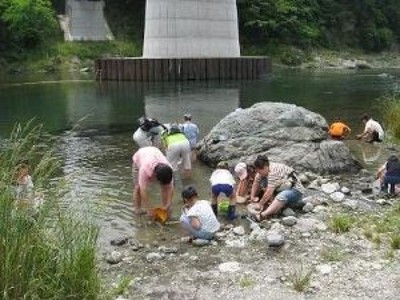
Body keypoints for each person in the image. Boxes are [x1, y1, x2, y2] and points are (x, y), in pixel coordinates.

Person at [251, 155, 304, 221]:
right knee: (263, 181)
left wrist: (260, 204)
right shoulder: (265, 168)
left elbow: (269, 192)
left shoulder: (273, 172)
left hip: (296, 190)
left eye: (259, 171)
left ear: (264, 167)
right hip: (283, 185)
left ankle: (262, 215)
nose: (258, 173)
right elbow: (256, 182)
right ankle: (273, 204)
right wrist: (252, 197)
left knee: (281, 196)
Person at [132, 146, 174, 216]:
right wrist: (149, 208)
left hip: (154, 152)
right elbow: (143, 190)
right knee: (138, 187)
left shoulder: (168, 169)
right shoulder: (144, 170)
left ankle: (165, 207)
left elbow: (170, 187)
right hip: (140, 156)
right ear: (156, 178)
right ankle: (137, 209)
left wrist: (168, 204)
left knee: (165, 187)